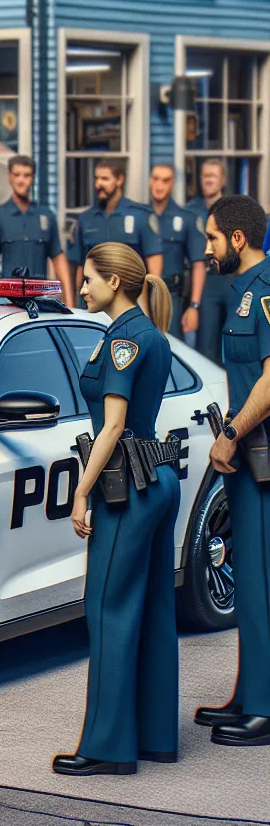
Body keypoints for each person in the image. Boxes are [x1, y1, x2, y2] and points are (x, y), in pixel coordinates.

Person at [53, 242, 179, 776]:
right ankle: (154, 737)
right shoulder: (151, 334)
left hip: (127, 483)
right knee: (151, 610)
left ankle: (107, 749)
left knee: (106, 609)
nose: (82, 288)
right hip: (158, 475)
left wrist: (81, 492)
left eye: (89, 279)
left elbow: (112, 426)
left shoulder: (126, 337)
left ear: (116, 282)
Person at [196, 194, 270, 746]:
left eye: (212, 238)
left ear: (237, 239)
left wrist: (230, 433)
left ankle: (264, 707)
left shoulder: (265, 292)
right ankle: (248, 692)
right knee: (247, 579)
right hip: (246, 461)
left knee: (261, 581)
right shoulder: (242, 290)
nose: (207, 248)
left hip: (262, 457)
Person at [0, 156, 75, 306]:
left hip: (42, 301)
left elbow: (58, 259)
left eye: (26, 175)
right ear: (9, 177)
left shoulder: (46, 216)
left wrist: (70, 304)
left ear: (33, 178)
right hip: (8, 302)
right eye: (17, 175)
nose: (21, 180)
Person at [68, 159, 163, 296]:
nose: (98, 184)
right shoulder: (86, 219)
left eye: (105, 179)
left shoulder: (140, 216)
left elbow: (155, 271)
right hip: (94, 301)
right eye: (97, 178)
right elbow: (79, 269)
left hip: (130, 301)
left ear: (119, 180)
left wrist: (150, 304)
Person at [148, 164, 206, 342]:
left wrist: (194, 306)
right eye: (156, 179)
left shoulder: (186, 218)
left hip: (171, 296)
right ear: (150, 182)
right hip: (140, 295)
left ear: (172, 184)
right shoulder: (138, 216)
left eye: (165, 180)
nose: (159, 185)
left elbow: (198, 264)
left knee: (172, 349)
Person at [187, 159, 232, 366]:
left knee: (235, 339)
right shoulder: (190, 211)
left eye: (213, 176)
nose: (208, 181)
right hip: (204, 280)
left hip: (230, 278)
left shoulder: (233, 209)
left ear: (222, 180)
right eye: (205, 176)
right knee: (206, 344)